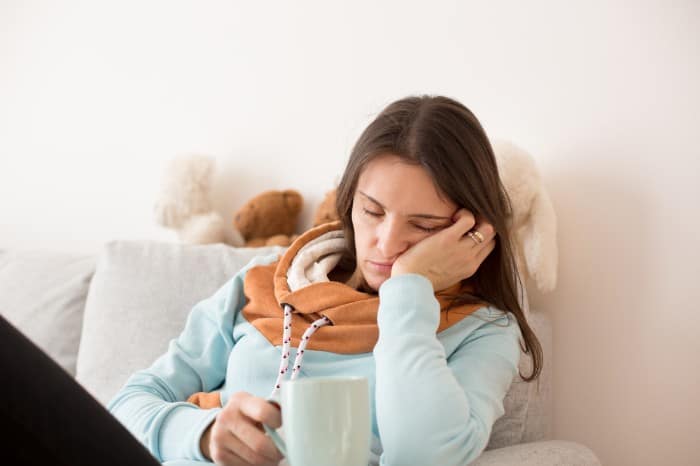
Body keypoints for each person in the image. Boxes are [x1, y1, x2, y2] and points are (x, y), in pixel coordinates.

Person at [2, 94, 541, 466]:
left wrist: (409, 291)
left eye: (423, 226)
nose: (386, 242)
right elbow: (131, 402)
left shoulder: (481, 332)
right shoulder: (265, 283)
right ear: (349, 201)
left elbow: (424, 454)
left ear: (472, 229)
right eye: (372, 211)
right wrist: (205, 435)